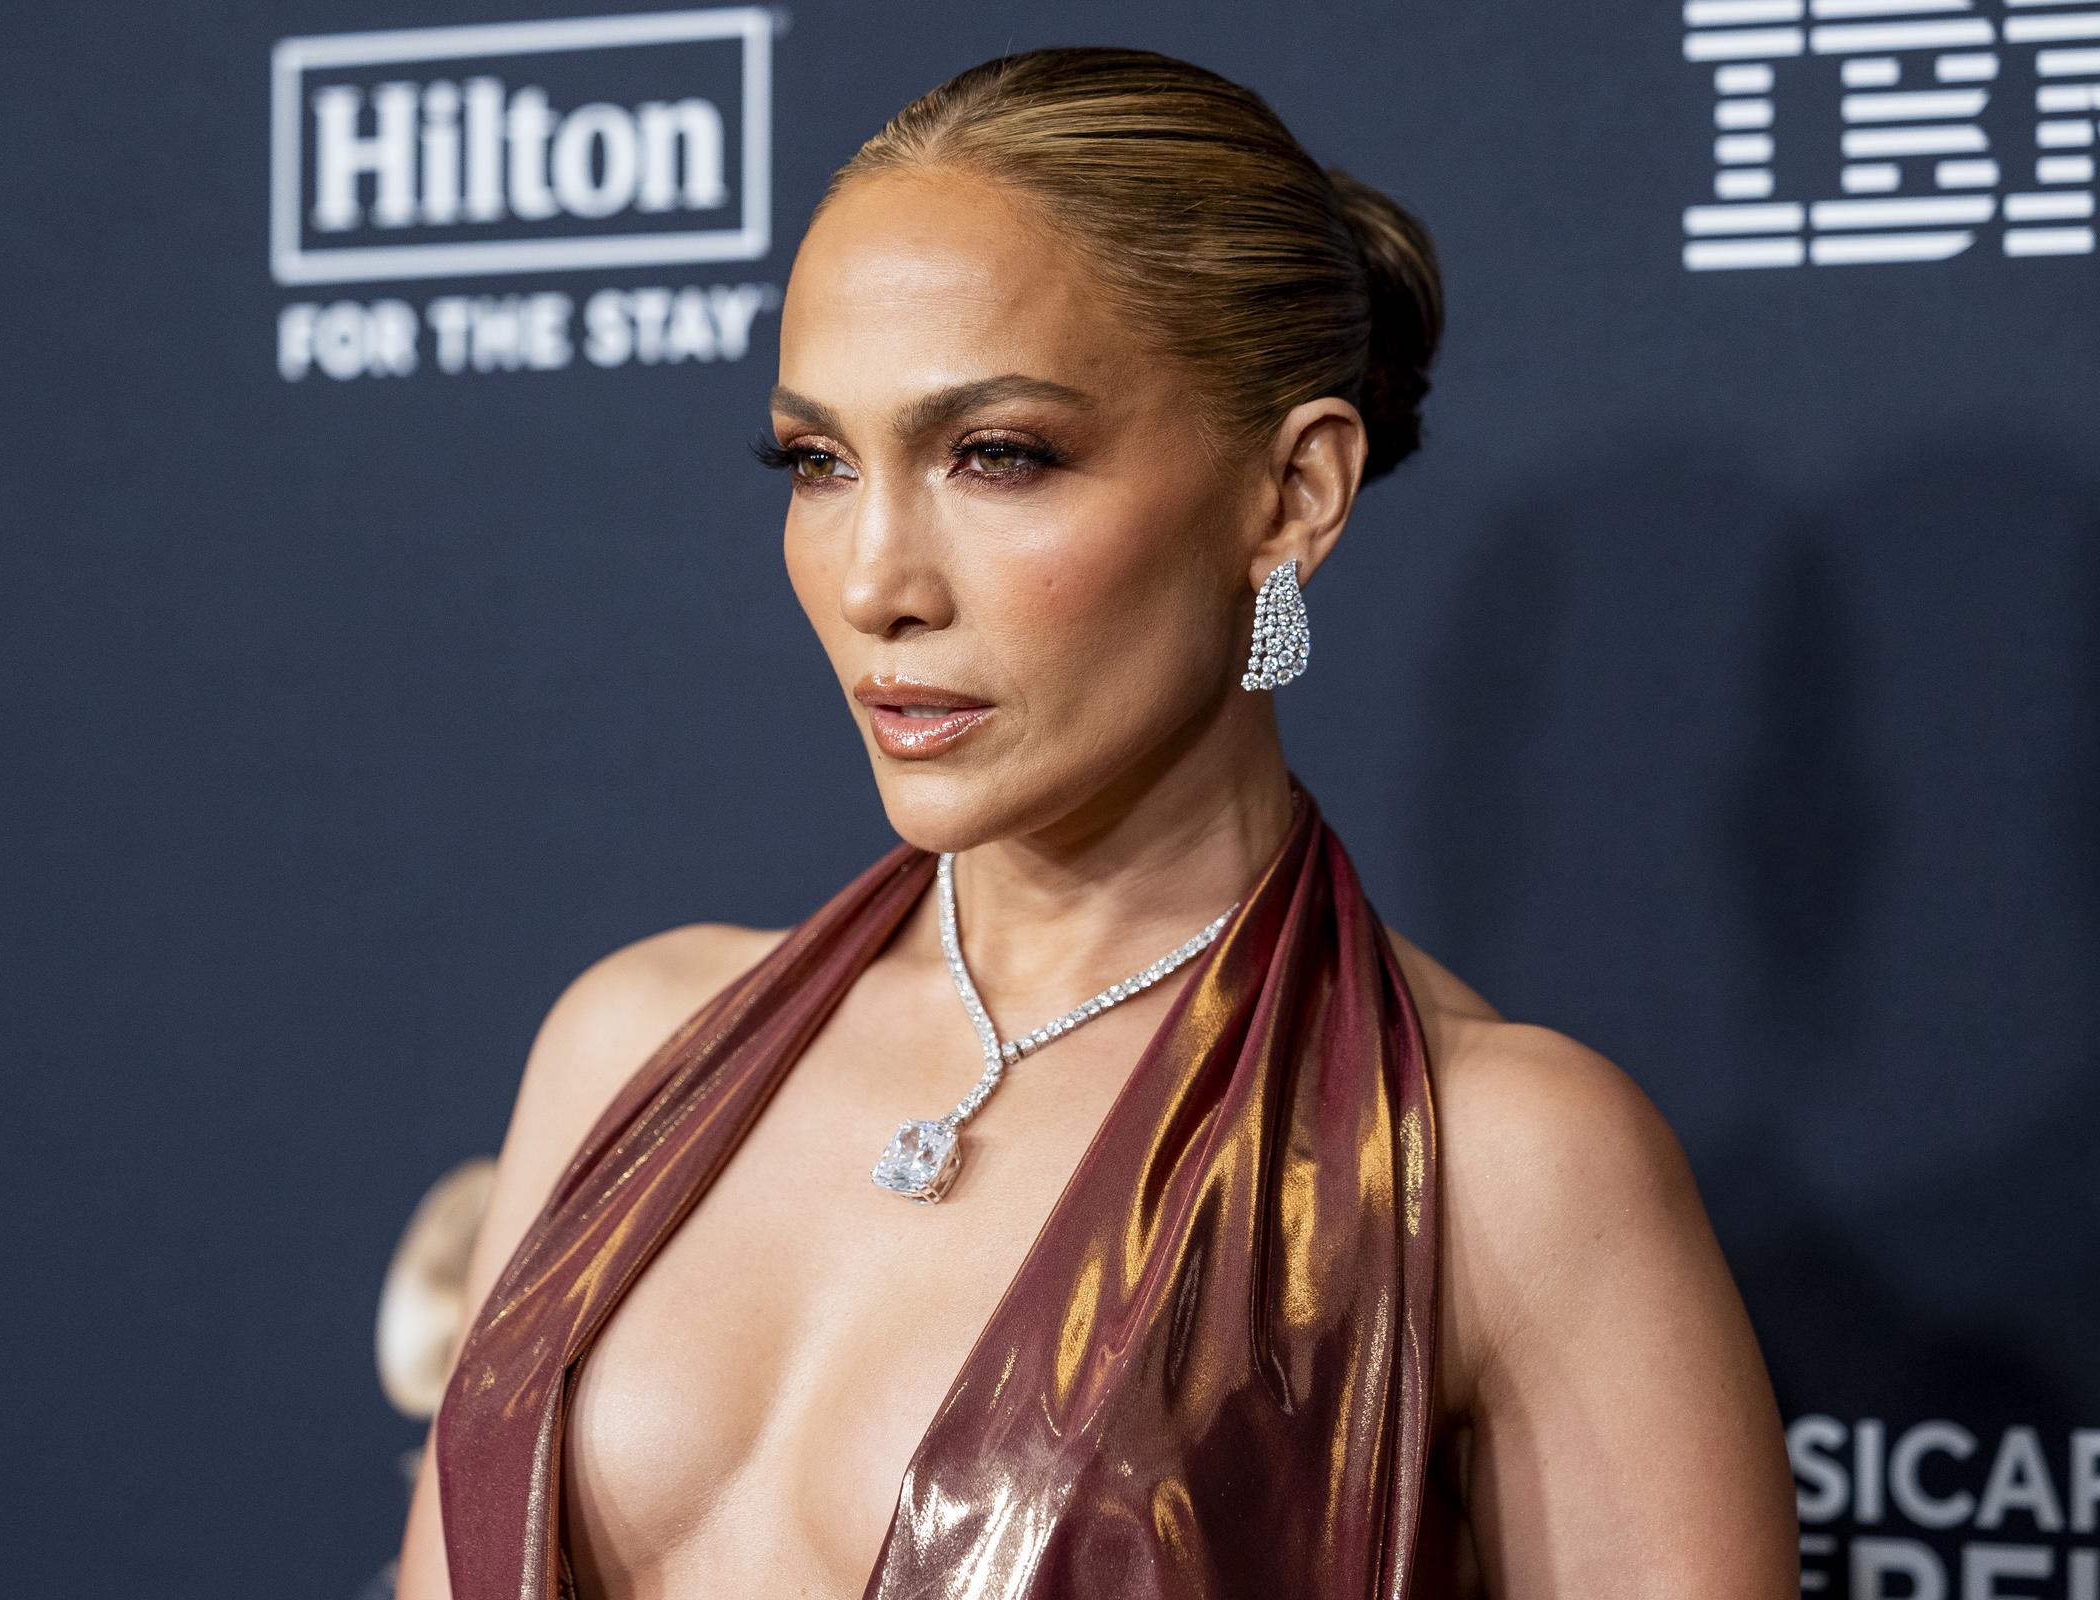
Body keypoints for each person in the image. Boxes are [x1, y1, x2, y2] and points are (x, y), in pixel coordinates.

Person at [396, 45, 1799, 1600]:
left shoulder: (1499, 1171)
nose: (874, 583)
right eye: (817, 461)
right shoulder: (627, 1046)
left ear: (1292, 495)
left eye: (998, 457)